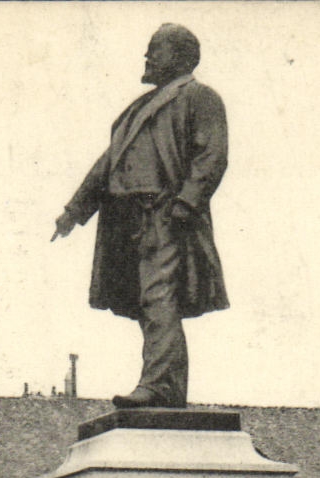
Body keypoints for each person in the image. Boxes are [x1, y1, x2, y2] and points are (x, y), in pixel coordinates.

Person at [52, 23, 229, 410]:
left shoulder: (199, 97)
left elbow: (211, 156)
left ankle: (161, 386)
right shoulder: (138, 107)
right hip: (126, 220)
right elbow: (107, 164)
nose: (147, 58)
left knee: (159, 299)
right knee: (146, 304)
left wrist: (184, 205)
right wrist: (73, 211)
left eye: (155, 50)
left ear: (181, 56)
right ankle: (162, 383)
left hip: (165, 214)